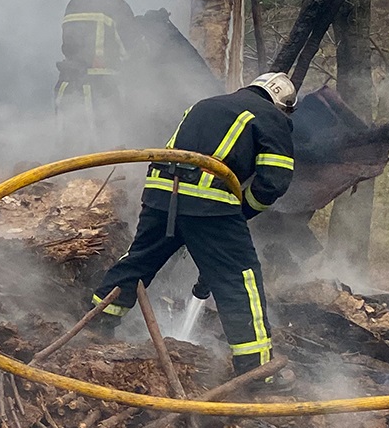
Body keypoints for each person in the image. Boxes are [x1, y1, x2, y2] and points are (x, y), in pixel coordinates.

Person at [90, 72, 297, 376]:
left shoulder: (207, 104)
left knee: (139, 261)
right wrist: (241, 212)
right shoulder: (271, 116)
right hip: (209, 201)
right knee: (239, 280)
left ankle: (96, 325)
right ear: (282, 105)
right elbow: (273, 182)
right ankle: (257, 370)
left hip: (161, 194)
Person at [55, 0, 136, 138]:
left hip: (66, 87)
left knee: (69, 153)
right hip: (100, 90)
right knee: (103, 154)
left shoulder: (72, 4)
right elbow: (131, 51)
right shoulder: (116, 6)